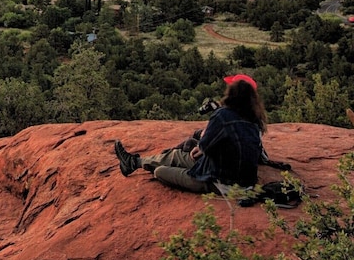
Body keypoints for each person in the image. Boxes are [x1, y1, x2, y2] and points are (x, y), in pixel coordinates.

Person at [114, 74, 267, 193]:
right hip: (242, 182)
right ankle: (136, 162)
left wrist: (202, 144)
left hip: (219, 181)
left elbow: (204, 144)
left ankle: (140, 163)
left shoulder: (223, 115)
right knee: (179, 155)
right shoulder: (255, 121)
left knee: (162, 171)